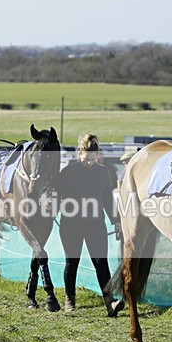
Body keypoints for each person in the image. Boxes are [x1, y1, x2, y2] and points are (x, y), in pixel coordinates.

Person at [56, 134, 123, 315]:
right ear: (79, 153)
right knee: (72, 263)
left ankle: (110, 302)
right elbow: (57, 197)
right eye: (86, 160)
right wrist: (49, 211)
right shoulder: (68, 172)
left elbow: (108, 200)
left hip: (96, 225)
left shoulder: (102, 173)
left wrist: (116, 221)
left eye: (93, 160)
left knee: (101, 263)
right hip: (71, 225)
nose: (89, 163)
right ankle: (69, 299)